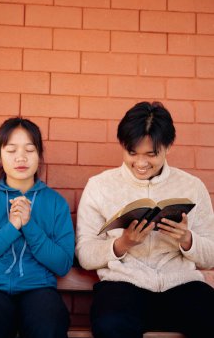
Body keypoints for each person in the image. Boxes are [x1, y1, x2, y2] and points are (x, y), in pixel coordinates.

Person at [75, 101, 214, 338]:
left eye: (151, 154)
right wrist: (122, 244)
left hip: (180, 284)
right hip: (123, 286)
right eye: (132, 153)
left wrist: (187, 240)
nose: (140, 164)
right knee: (110, 326)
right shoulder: (99, 186)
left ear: (168, 147)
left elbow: (210, 255)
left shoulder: (192, 187)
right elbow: (85, 255)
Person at [0, 117, 75, 338]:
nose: (21, 157)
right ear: (0, 155)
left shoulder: (55, 203)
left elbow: (62, 264)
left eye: (30, 150)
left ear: (39, 155)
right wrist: (12, 227)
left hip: (37, 289)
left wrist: (29, 225)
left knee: (49, 321)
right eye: (11, 150)